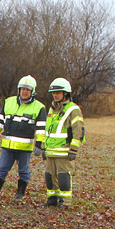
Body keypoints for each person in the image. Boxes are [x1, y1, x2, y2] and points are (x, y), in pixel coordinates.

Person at [0, 75, 46, 203]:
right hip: (8, 146)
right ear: (19, 89)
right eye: (22, 89)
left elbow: (41, 128)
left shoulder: (39, 107)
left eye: (27, 89)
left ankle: (20, 194)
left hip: (25, 148)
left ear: (32, 91)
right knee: (2, 169)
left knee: (23, 171)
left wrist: (39, 144)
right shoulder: (9, 102)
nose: (24, 91)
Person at [43, 77, 85, 208]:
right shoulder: (52, 109)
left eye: (58, 93)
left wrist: (73, 149)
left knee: (63, 178)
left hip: (64, 152)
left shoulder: (73, 109)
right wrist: (44, 147)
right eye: (54, 93)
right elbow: (48, 130)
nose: (55, 95)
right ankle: (52, 199)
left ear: (65, 93)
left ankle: (65, 202)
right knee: (49, 177)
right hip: (50, 152)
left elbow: (78, 131)